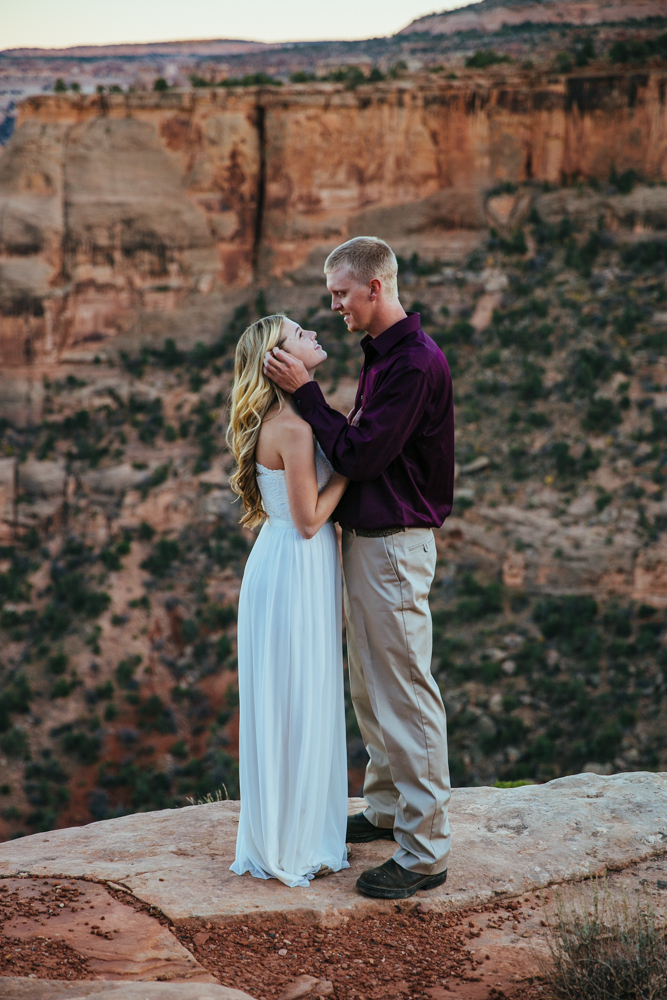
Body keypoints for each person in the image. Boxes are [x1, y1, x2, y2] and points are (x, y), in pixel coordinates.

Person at [263, 236, 454, 900]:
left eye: (341, 293)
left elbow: (362, 454)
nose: (334, 305)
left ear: (375, 288)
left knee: (403, 689)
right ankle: (385, 808)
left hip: (395, 544)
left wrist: (308, 397)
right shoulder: (384, 357)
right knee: (372, 686)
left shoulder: (412, 365)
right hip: (372, 541)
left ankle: (425, 850)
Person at [228, 314, 350, 888]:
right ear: (281, 360)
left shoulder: (283, 419)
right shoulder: (295, 431)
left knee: (291, 697)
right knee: (298, 697)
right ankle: (295, 842)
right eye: (301, 334)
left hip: (280, 565)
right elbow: (308, 520)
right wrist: (354, 469)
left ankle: (287, 830)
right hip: (296, 566)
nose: (315, 335)